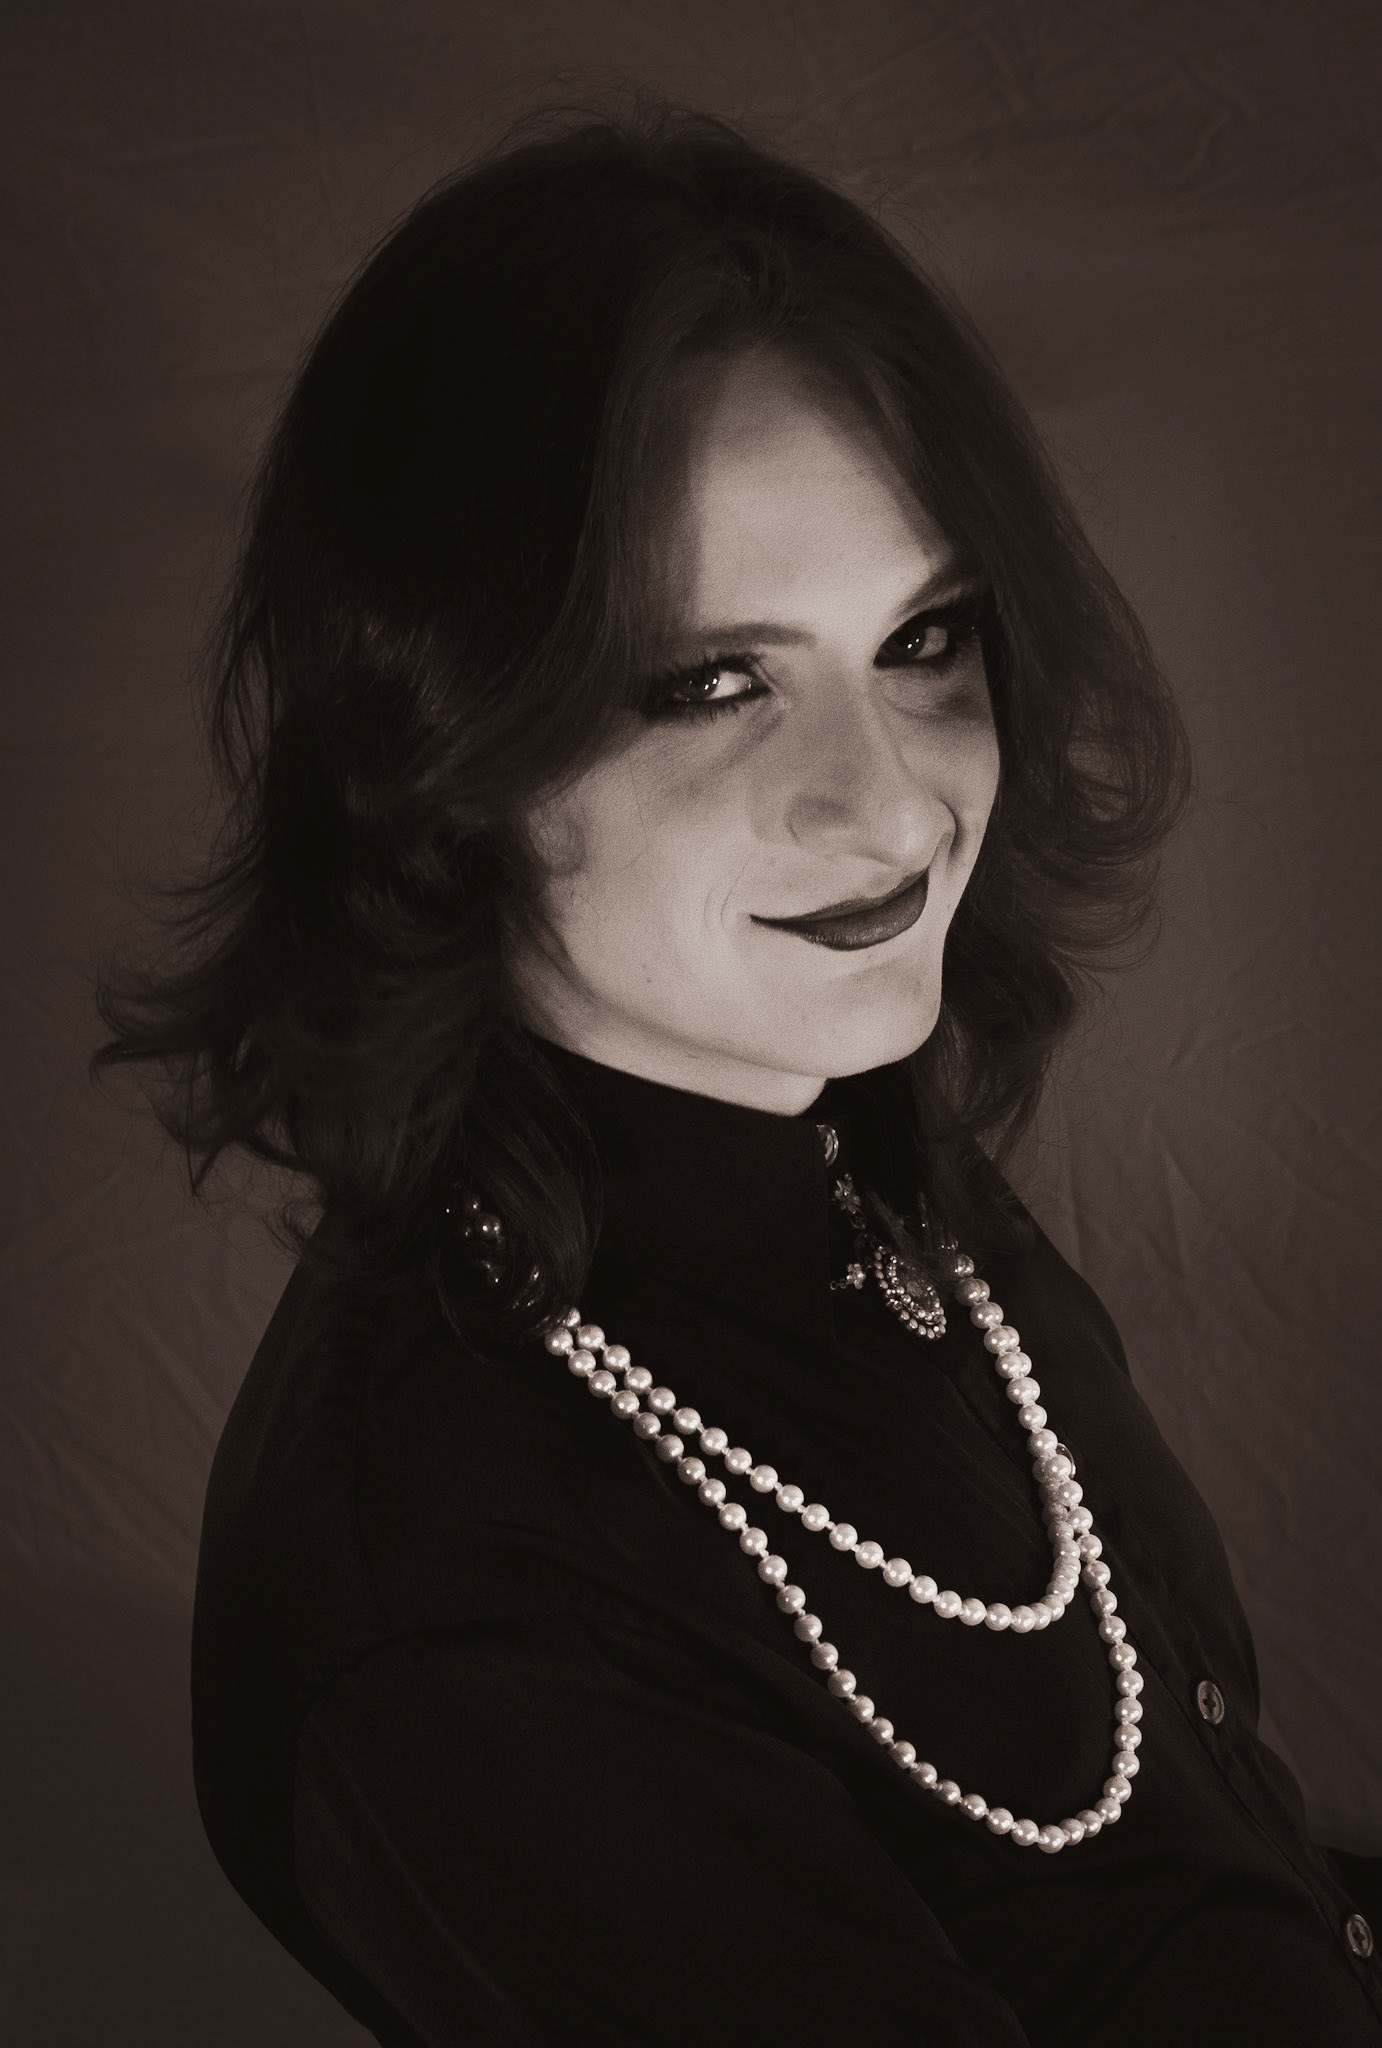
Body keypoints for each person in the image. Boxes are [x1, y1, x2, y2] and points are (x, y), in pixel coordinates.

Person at [96, 107, 1382, 2045]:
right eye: (710, 681)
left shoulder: (843, 1129)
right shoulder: (468, 1609)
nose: (892, 808)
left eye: (923, 638)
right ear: (443, 754)